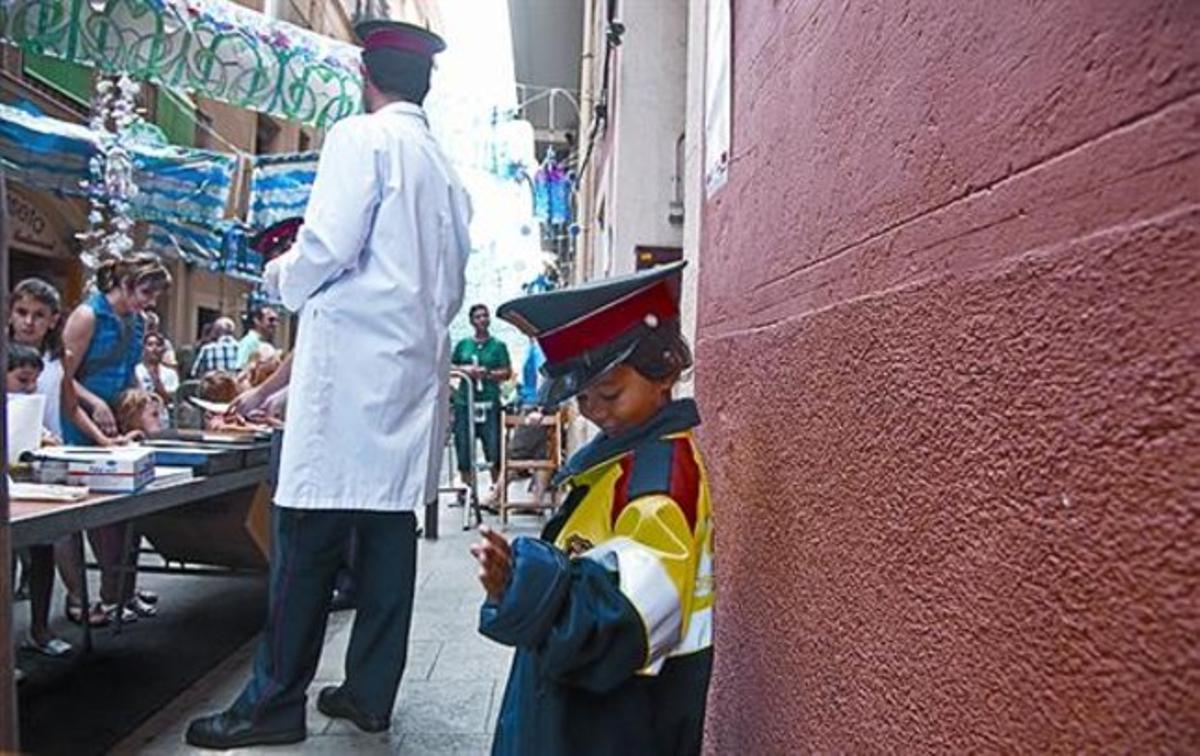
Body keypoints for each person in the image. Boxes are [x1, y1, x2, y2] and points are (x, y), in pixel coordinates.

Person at [186, 20, 471, 749]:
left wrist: (280, 278)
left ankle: (271, 705)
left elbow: (324, 247)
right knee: (385, 543)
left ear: (365, 80)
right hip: (406, 382)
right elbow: (448, 289)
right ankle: (369, 695)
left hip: (346, 380)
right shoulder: (446, 171)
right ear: (421, 84)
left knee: (306, 545)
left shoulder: (361, 138)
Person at [469, 262, 714, 755]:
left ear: (665, 371)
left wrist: (524, 585)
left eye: (609, 393)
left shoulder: (660, 479)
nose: (595, 411)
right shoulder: (625, 456)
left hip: (620, 719)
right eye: (582, 397)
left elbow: (628, 614)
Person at [62, 253, 171, 623]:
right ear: (124, 284)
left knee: (123, 515)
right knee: (77, 515)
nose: (150, 301)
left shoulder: (137, 322)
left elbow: (129, 373)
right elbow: (63, 375)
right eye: (146, 291)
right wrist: (94, 404)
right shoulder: (87, 316)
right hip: (76, 423)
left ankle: (118, 592)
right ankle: (78, 597)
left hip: (116, 427)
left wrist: (143, 406)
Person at [8, 278, 104, 628]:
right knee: (10, 556)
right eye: (21, 312)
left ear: (53, 319)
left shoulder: (57, 357)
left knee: (50, 547)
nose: (28, 322)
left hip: (49, 460)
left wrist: (105, 441)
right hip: (11, 462)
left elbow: (71, 406)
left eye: (38, 314)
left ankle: (44, 627)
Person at [451, 304, 512, 504]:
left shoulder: (498, 346)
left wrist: (487, 373)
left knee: (493, 446)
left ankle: (495, 490)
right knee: (463, 445)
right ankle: (466, 488)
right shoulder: (463, 345)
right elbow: (450, 367)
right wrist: (465, 370)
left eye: (485, 316)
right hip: (465, 403)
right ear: (471, 321)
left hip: (489, 402)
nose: (482, 320)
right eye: (478, 317)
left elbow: (506, 372)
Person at [136, 331, 178, 428]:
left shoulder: (170, 374)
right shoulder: (135, 371)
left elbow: (170, 399)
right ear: (144, 348)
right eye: (150, 345)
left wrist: (156, 379)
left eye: (158, 345)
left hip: (163, 420)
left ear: (163, 349)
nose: (154, 348)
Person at [236, 304, 279, 369]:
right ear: (257, 320)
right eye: (271, 320)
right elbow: (240, 367)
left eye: (277, 320)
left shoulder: (266, 341)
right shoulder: (249, 342)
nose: (275, 324)